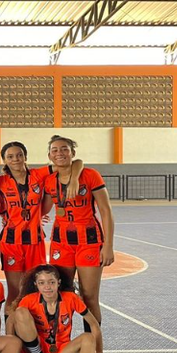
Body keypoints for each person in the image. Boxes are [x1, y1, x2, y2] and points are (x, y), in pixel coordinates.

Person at [0, 141, 82, 319]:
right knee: (14, 291)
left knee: (35, 289)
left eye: (19, 155)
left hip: (35, 242)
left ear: (25, 156)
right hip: (11, 243)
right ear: (4, 160)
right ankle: (11, 336)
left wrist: (74, 179)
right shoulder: (0, 182)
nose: (16, 159)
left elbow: (76, 162)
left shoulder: (38, 174)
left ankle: (35, 332)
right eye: (10, 156)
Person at [12, 264, 115, 353]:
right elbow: (15, 322)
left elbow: (93, 324)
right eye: (42, 283)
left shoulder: (71, 298)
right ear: (36, 285)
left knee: (88, 337)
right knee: (19, 312)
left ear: (58, 283)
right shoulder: (29, 300)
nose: (47, 287)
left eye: (51, 282)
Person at [42, 135, 115, 330]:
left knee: (89, 297)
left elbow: (106, 211)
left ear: (73, 153)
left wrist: (108, 246)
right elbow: (41, 208)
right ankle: (61, 346)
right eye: (55, 150)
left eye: (65, 149)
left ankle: (92, 348)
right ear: (49, 155)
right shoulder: (48, 180)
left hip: (88, 241)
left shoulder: (90, 175)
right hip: (61, 243)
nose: (60, 153)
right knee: (61, 294)